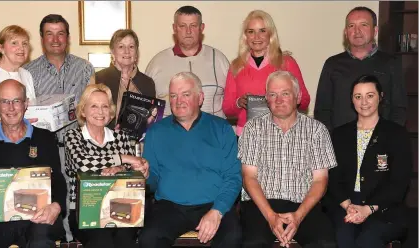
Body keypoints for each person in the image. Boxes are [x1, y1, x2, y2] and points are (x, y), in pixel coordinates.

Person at [138, 72, 242, 248]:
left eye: (186, 94)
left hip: (213, 203)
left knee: (233, 237)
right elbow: (153, 181)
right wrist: (145, 176)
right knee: (149, 238)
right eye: (173, 95)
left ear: (200, 98)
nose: (179, 101)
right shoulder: (156, 132)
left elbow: (233, 177)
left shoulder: (222, 129)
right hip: (170, 206)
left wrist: (217, 211)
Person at [238, 71, 337, 248]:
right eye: (272, 94)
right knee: (254, 243)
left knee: (325, 244)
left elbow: (320, 180)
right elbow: (249, 178)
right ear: (266, 99)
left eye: (285, 93)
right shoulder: (253, 128)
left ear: (298, 97)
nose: (278, 100)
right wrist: (270, 216)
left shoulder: (317, 130)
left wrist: (298, 216)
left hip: (303, 204)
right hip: (262, 204)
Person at [0, 79, 66, 248]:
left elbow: (58, 181)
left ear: (26, 104)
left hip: (36, 219)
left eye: (16, 101)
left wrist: (56, 206)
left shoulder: (45, 138)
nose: (11, 108)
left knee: (41, 240)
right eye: (4, 102)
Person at [23, 14, 96, 242]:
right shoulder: (27, 72)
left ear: (68, 37)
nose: (55, 39)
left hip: (76, 147)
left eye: (60, 33)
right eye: (49, 33)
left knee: (78, 202)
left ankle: (73, 240)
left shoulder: (84, 68)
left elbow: (92, 108)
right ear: (42, 38)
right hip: (43, 149)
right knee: (45, 203)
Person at [326, 75, 411, 248]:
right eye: (358, 96)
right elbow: (332, 177)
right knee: (343, 237)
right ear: (352, 100)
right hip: (346, 204)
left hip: (383, 207)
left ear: (381, 96)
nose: (364, 102)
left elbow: (399, 183)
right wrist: (349, 206)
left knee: (368, 241)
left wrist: (368, 209)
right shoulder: (339, 134)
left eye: (370, 95)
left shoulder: (397, 134)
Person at [64, 84, 149, 248]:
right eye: (94, 106)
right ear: (83, 111)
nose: (100, 111)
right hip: (84, 211)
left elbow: (132, 172)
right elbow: (82, 163)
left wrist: (125, 168)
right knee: (102, 241)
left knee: (125, 240)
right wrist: (123, 158)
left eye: (105, 106)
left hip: (122, 206)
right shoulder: (73, 136)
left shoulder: (121, 136)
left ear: (111, 112)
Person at [314, 6, 407, 132]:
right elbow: (322, 110)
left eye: (363, 25)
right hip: (341, 144)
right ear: (345, 32)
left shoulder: (390, 63)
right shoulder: (332, 64)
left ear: (375, 30)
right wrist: (332, 140)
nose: (357, 31)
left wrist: (388, 138)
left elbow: (399, 109)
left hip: (381, 143)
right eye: (351, 26)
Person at [223, 10, 310, 136]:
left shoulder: (286, 63)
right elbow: (227, 109)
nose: (256, 37)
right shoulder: (236, 66)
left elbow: (305, 101)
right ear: (245, 36)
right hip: (247, 135)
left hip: (282, 134)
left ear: (270, 34)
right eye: (251, 31)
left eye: (262, 31)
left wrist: (287, 99)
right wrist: (239, 103)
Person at [145, 5, 230, 119]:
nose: (188, 31)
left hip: (213, 134)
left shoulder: (219, 60)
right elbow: (147, 110)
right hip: (172, 135)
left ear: (202, 28)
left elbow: (231, 104)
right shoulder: (157, 64)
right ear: (175, 28)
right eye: (182, 26)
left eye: (193, 26)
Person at [95, 29, 156, 129]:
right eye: (121, 46)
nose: (127, 51)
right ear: (112, 52)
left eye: (131, 47)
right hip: (106, 141)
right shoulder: (98, 79)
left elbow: (151, 118)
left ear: (136, 53)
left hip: (138, 142)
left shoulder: (148, 83)